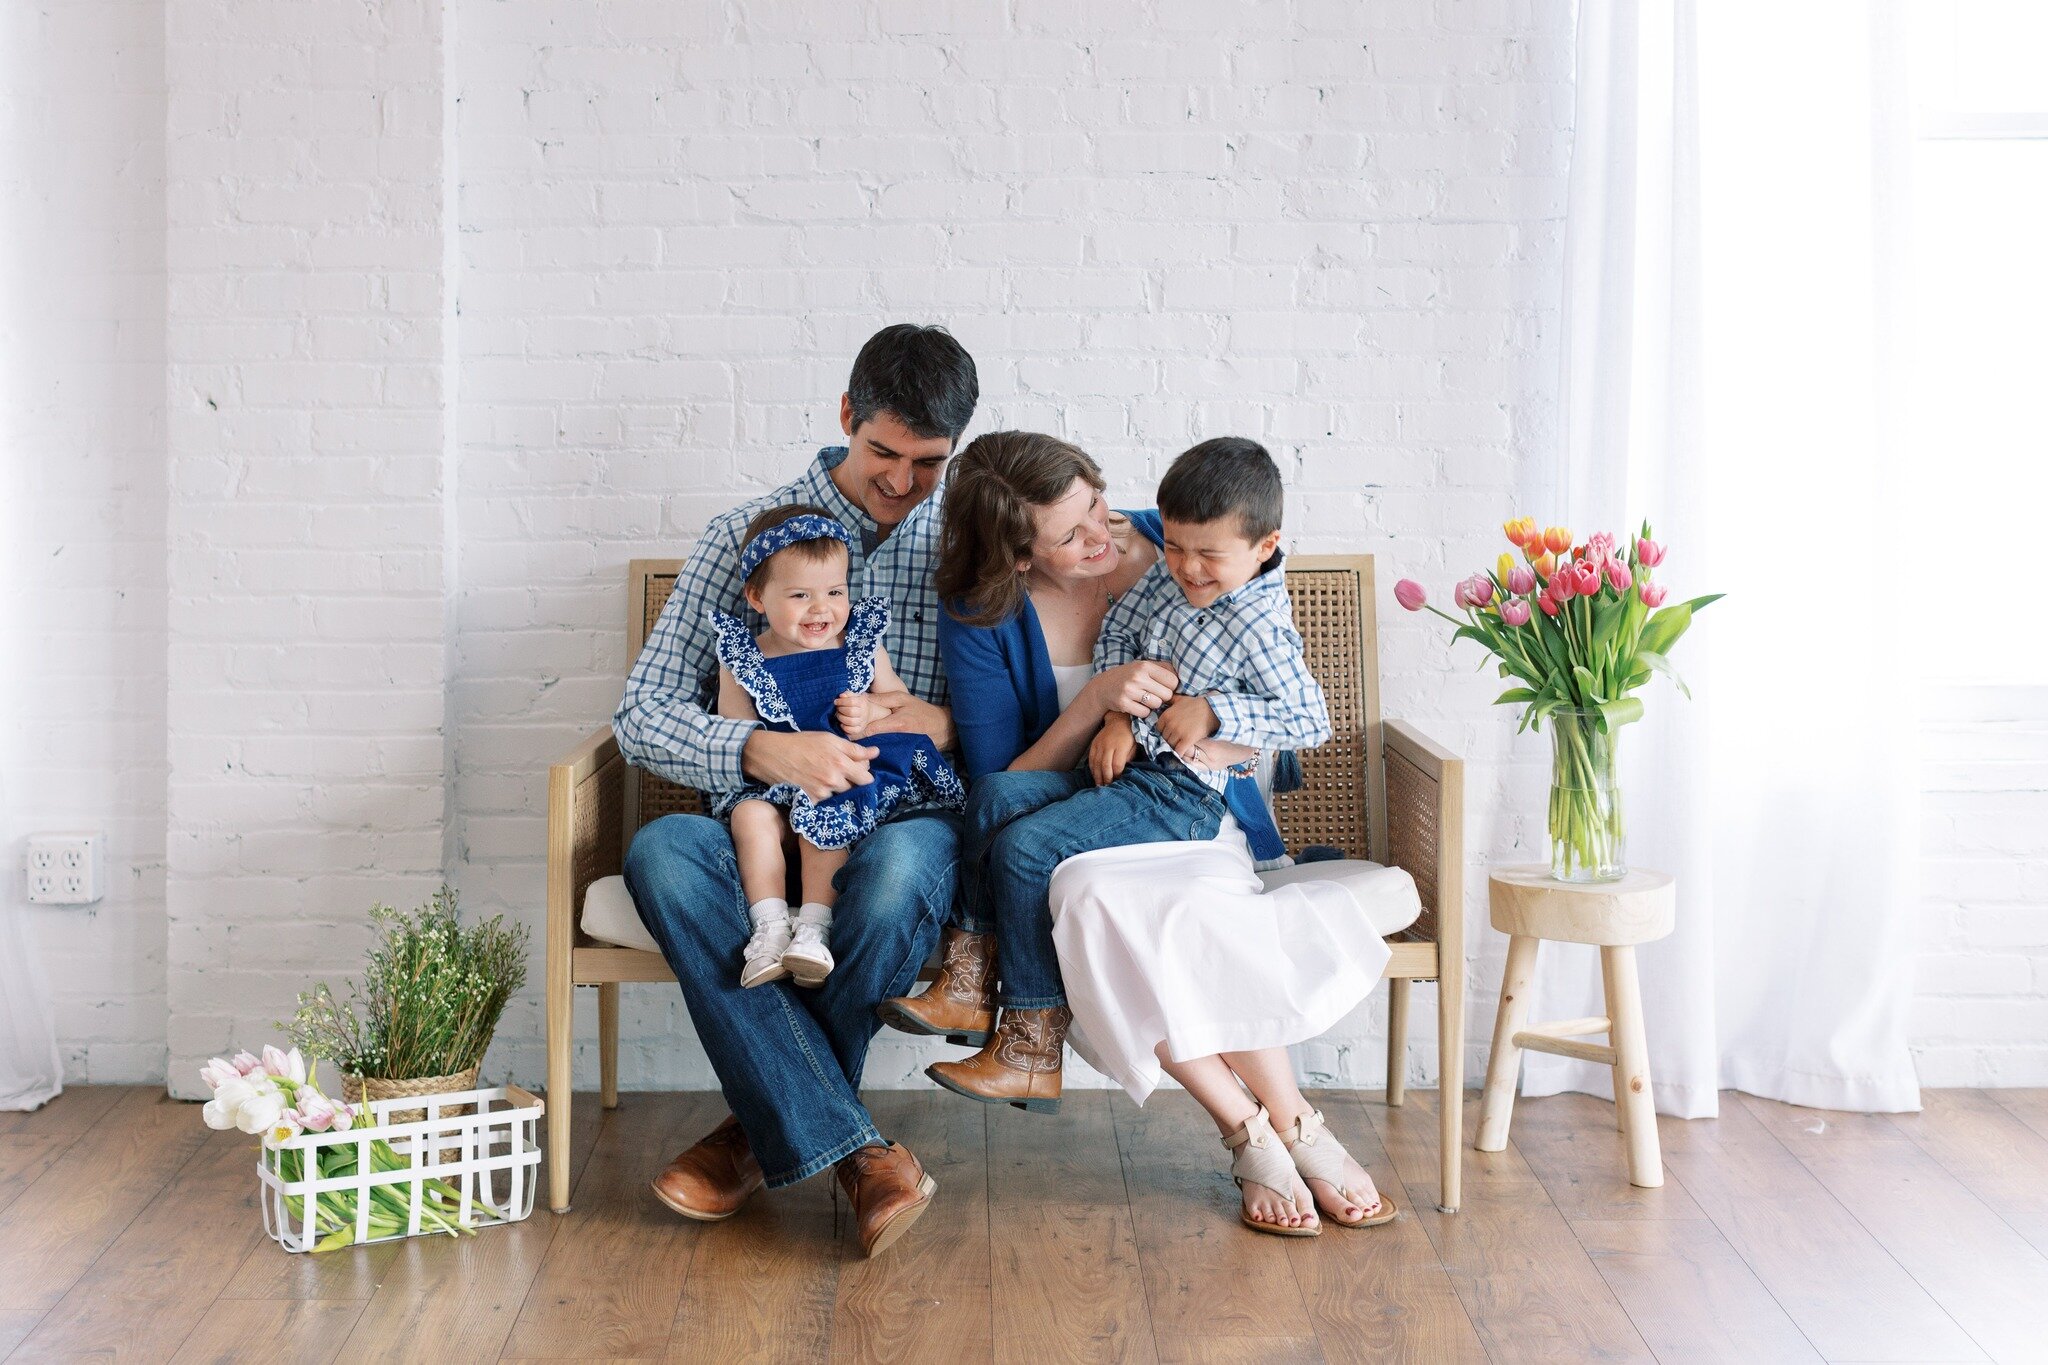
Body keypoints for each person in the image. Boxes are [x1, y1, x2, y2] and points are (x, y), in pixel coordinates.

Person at [903, 434, 1399, 1237]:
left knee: (1109, 890)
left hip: (1187, 808)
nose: (1109, 536)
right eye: (1070, 536)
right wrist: (1110, 709)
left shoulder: (1198, 557)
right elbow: (1123, 664)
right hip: (1114, 795)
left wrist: (1208, 713)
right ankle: (981, 983)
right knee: (1026, 830)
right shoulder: (1149, 575)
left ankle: (1279, 1125)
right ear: (1019, 557)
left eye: (1097, 505)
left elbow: (1302, 713)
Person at [614, 323, 975, 1258]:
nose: (900, 483)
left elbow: (1005, 720)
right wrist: (766, 752)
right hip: (760, 824)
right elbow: (642, 715)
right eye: (882, 453)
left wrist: (930, 722)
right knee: (662, 854)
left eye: (927, 464)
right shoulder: (744, 537)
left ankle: (759, 1129)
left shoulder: (971, 548)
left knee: (893, 880)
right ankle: (856, 1150)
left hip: (903, 814)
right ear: (846, 416)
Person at [708, 504, 966, 990]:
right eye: (800, 595)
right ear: (758, 596)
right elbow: (738, 734)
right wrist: (779, 766)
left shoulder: (860, 643)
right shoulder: (743, 656)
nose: (821, 608)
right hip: (777, 781)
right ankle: (769, 931)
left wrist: (871, 711)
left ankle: (812, 929)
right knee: (748, 818)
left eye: (835, 592)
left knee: (823, 808)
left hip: (847, 778)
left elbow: (898, 704)